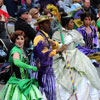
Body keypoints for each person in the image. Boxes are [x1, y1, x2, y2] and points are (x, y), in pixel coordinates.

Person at [52, 13, 100, 100]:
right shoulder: (58, 33)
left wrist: (74, 38)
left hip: (76, 55)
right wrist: (63, 43)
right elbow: (55, 46)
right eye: (71, 22)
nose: (73, 24)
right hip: (64, 56)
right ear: (67, 23)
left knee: (86, 72)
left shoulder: (75, 32)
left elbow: (82, 43)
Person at [0, 30, 42, 100]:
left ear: (24, 40)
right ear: (14, 40)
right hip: (17, 83)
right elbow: (17, 62)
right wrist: (31, 67)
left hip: (25, 81)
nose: (20, 41)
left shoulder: (23, 50)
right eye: (17, 39)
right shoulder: (15, 51)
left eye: (22, 39)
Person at [33, 15, 67, 100]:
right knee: (38, 94)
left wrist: (57, 45)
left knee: (52, 93)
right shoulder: (38, 38)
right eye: (47, 23)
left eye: (49, 23)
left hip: (48, 68)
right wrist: (58, 50)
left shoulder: (46, 36)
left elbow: (51, 44)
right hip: (40, 70)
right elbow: (43, 55)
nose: (49, 25)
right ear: (41, 25)